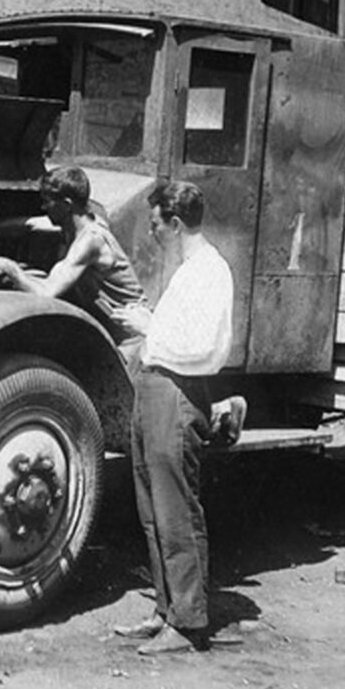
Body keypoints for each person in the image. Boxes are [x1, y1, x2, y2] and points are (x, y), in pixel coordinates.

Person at [108, 181, 234, 655]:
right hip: (155, 386)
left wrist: (149, 326)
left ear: (176, 223)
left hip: (177, 393)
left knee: (177, 511)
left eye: (158, 224)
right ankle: (165, 609)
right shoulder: (187, 270)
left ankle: (187, 622)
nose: (154, 232)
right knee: (151, 511)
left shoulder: (210, 271)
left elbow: (204, 347)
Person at [0, 166, 146, 348]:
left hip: (132, 337)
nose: (43, 207)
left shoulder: (90, 240)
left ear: (67, 204)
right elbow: (29, 224)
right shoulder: (80, 221)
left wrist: (10, 268)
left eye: (47, 202)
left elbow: (47, 293)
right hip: (112, 330)